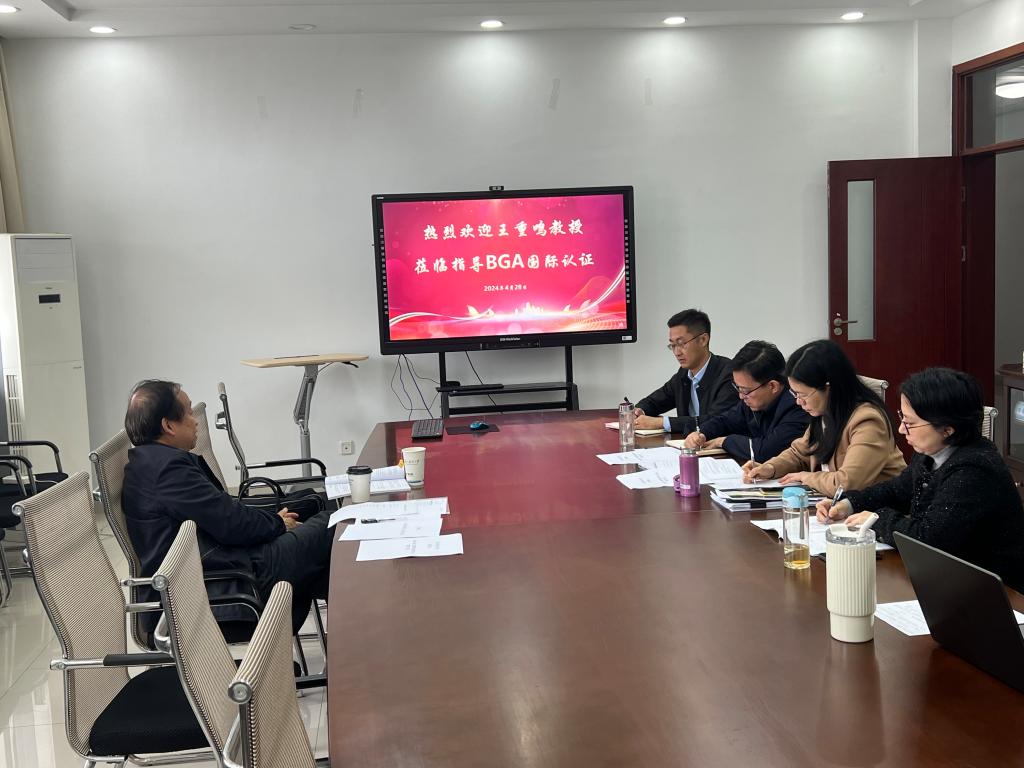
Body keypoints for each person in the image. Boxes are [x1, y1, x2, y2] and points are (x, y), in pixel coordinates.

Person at [121, 379, 331, 634]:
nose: (195, 421)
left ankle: (349, 639)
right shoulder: (167, 471)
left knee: (321, 544)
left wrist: (276, 522)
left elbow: (223, 513)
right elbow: (232, 524)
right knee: (334, 523)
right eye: (188, 413)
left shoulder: (151, 462)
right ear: (168, 426)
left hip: (221, 567)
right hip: (225, 586)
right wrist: (278, 523)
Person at [817, 368, 1024, 592]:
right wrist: (848, 504)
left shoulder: (974, 470)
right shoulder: (930, 453)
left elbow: (929, 540)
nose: (901, 429)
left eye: (910, 423)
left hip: (995, 593)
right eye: (902, 418)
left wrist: (876, 519)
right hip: (947, 579)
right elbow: (896, 491)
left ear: (947, 429)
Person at [742, 339, 905, 495]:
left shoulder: (868, 421)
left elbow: (847, 484)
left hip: (876, 511)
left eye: (803, 394)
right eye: (795, 393)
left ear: (828, 388)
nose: (798, 401)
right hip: (839, 506)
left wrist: (806, 477)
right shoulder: (825, 413)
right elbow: (799, 454)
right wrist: (770, 468)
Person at [681, 340, 809, 463]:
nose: (741, 396)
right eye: (738, 388)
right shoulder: (752, 399)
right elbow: (725, 421)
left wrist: (723, 441)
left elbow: (765, 451)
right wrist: (701, 433)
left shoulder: (798, 405)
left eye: (745, 390)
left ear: (773, 386)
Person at [634, 308, 734, 435]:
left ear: (703, 340)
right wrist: (639, 411)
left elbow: (716, 420)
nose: (677, 352)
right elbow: (655, 401)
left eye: (681, 344)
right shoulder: (683, 374)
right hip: (687, 445)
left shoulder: (728, 374)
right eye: (673, 345)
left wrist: (661, 422)